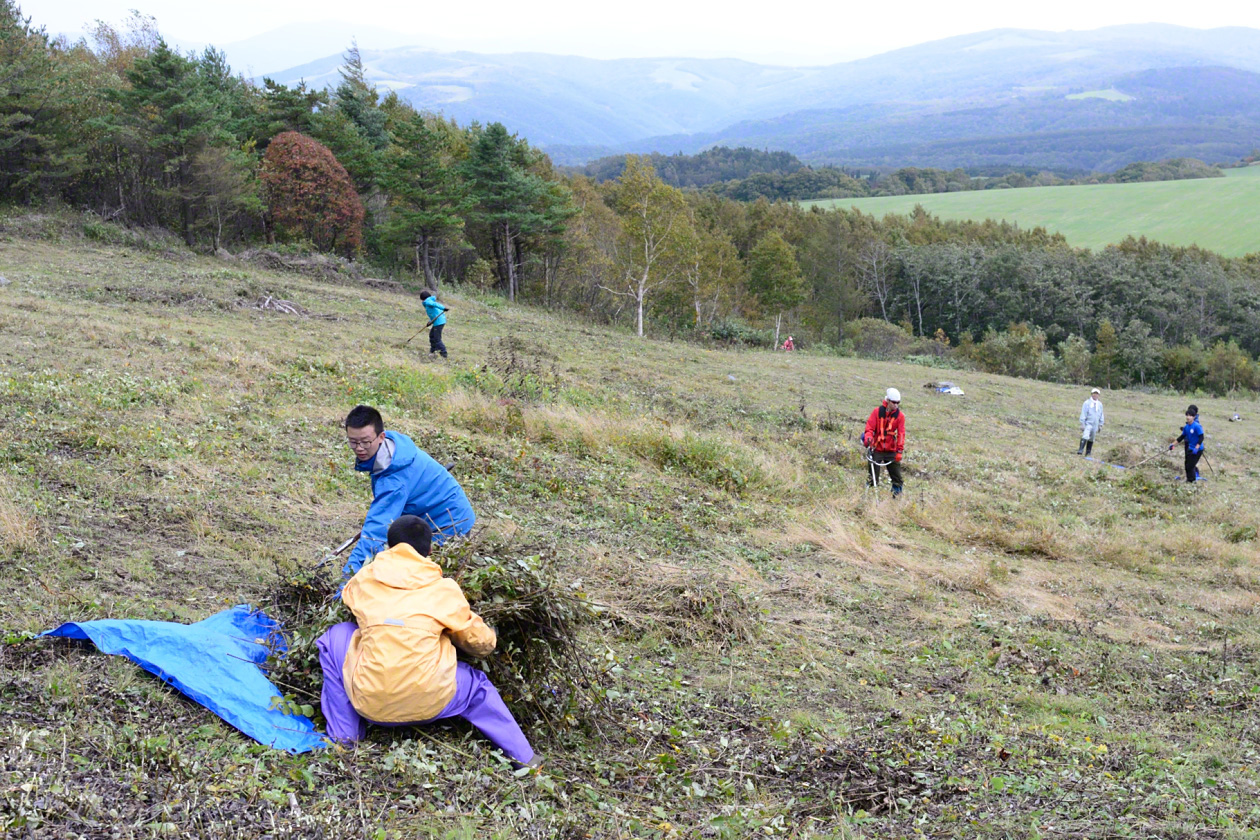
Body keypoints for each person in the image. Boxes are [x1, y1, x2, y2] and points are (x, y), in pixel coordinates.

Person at [316, 516, 540, 768]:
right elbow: (482, 644)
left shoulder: (364, 579)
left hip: (369, 700)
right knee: (477, 686)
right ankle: (525, 759)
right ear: (430, 551)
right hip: (431, 702)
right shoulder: (443, 589)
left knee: (336, 635)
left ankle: (344, 738)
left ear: (388, 548)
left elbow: (350, 600)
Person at [341, 405, 475, 578]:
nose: (359, 448)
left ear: (381, 436)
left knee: (419, 580)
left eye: (365, 442)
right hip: (426, 515)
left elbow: (374, 535)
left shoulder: (394, 479)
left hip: (450, 525)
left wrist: (347, 580)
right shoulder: (391, 448)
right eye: (353, 442)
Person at [862, 387, 906, 496]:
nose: (896, 405)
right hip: (876, 448)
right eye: (894, 402)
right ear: (888, 401)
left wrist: (899, 451)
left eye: (898, 403)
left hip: (891, 450)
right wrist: (868, 439)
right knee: (873, 477)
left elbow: (901, 434)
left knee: (897, 477)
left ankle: (896, 498)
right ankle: (868, 497)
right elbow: (869, 428)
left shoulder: (900, 416)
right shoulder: (877, 412)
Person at [1169, 404, 1205, 483]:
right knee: (1187, 465)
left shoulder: (1197, 426)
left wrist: (1197, 447)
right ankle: (1189, 480)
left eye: (1190, 416)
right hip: (1190, 448)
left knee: (1191, 466)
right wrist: (1173, 444)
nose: (1188, 417)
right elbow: (1181, 437)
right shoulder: (1186, 427)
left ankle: (1192, 481)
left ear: (1194, 417)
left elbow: (1201, 437)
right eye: (1187, 415)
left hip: (1198, 450)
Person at [419, 290, 449, 359]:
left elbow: (436, 305)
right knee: (432, 336)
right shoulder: (428, 302)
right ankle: (433, 351)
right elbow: (433, 314)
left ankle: (444, 354)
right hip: (438, 321)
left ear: (423, 298)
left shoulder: (428, 302)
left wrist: (443, 308)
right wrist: (430, 322)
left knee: (437, 339)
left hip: (439, 322)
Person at [1078, 387, 1104, 456]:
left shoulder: (1100, 405)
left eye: (1097, 394)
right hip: (1088, 423)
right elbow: (1083, 413)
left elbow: (1101, 414)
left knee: (1092, 438)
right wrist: (1082, 423)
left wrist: (1100, 425)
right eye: (1094, 394)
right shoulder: (1087, 403)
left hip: (1095, 424)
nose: (1095, 395)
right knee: (1085, 435)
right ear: (1091, 394)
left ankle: (1088, 452)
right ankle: (1080, 450)